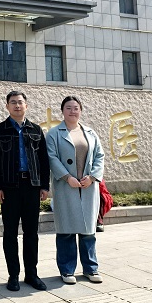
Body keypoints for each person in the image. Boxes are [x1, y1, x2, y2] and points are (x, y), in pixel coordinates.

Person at [0, 90, 50, 292]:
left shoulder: (36, 130)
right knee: (10, 233)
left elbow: (43, 160)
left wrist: (44, 186)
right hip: (9, 189)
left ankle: (32, 274)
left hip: (31, 187)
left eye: (20, 102)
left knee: (31, 232)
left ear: (26, 106)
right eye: (13, 102)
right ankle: (13, 275)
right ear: (7, 106)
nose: (17, 105)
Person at [46, 95, 104, 284]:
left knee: (88, 231)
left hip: (88, 187)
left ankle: (91, 269)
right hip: (66, 186)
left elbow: (100, 156)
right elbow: (52, 157)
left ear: (80, 110)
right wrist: (67, 177)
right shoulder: (54, 134)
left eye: (76, 107)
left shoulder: (90, 133)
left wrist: (93, 177)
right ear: (62, 111)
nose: (72, 111)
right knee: (66, 231)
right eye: (68, 108)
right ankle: (67, 270)